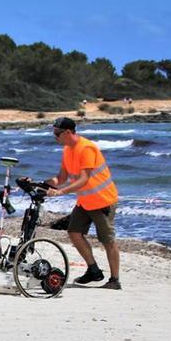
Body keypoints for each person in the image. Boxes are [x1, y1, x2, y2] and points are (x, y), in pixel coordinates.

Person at [42, 117, 121, 289]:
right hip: (85, 202)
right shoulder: (67, 150)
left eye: (57, 133)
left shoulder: (86, 148)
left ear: (68, 132)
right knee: (74, 233)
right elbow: (61, 178)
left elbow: (84, 179)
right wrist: (41, 184)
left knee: (107, 240)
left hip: (103, 201)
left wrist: (61, 192)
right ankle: (93, 270)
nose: (55, 137)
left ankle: (115, 280)